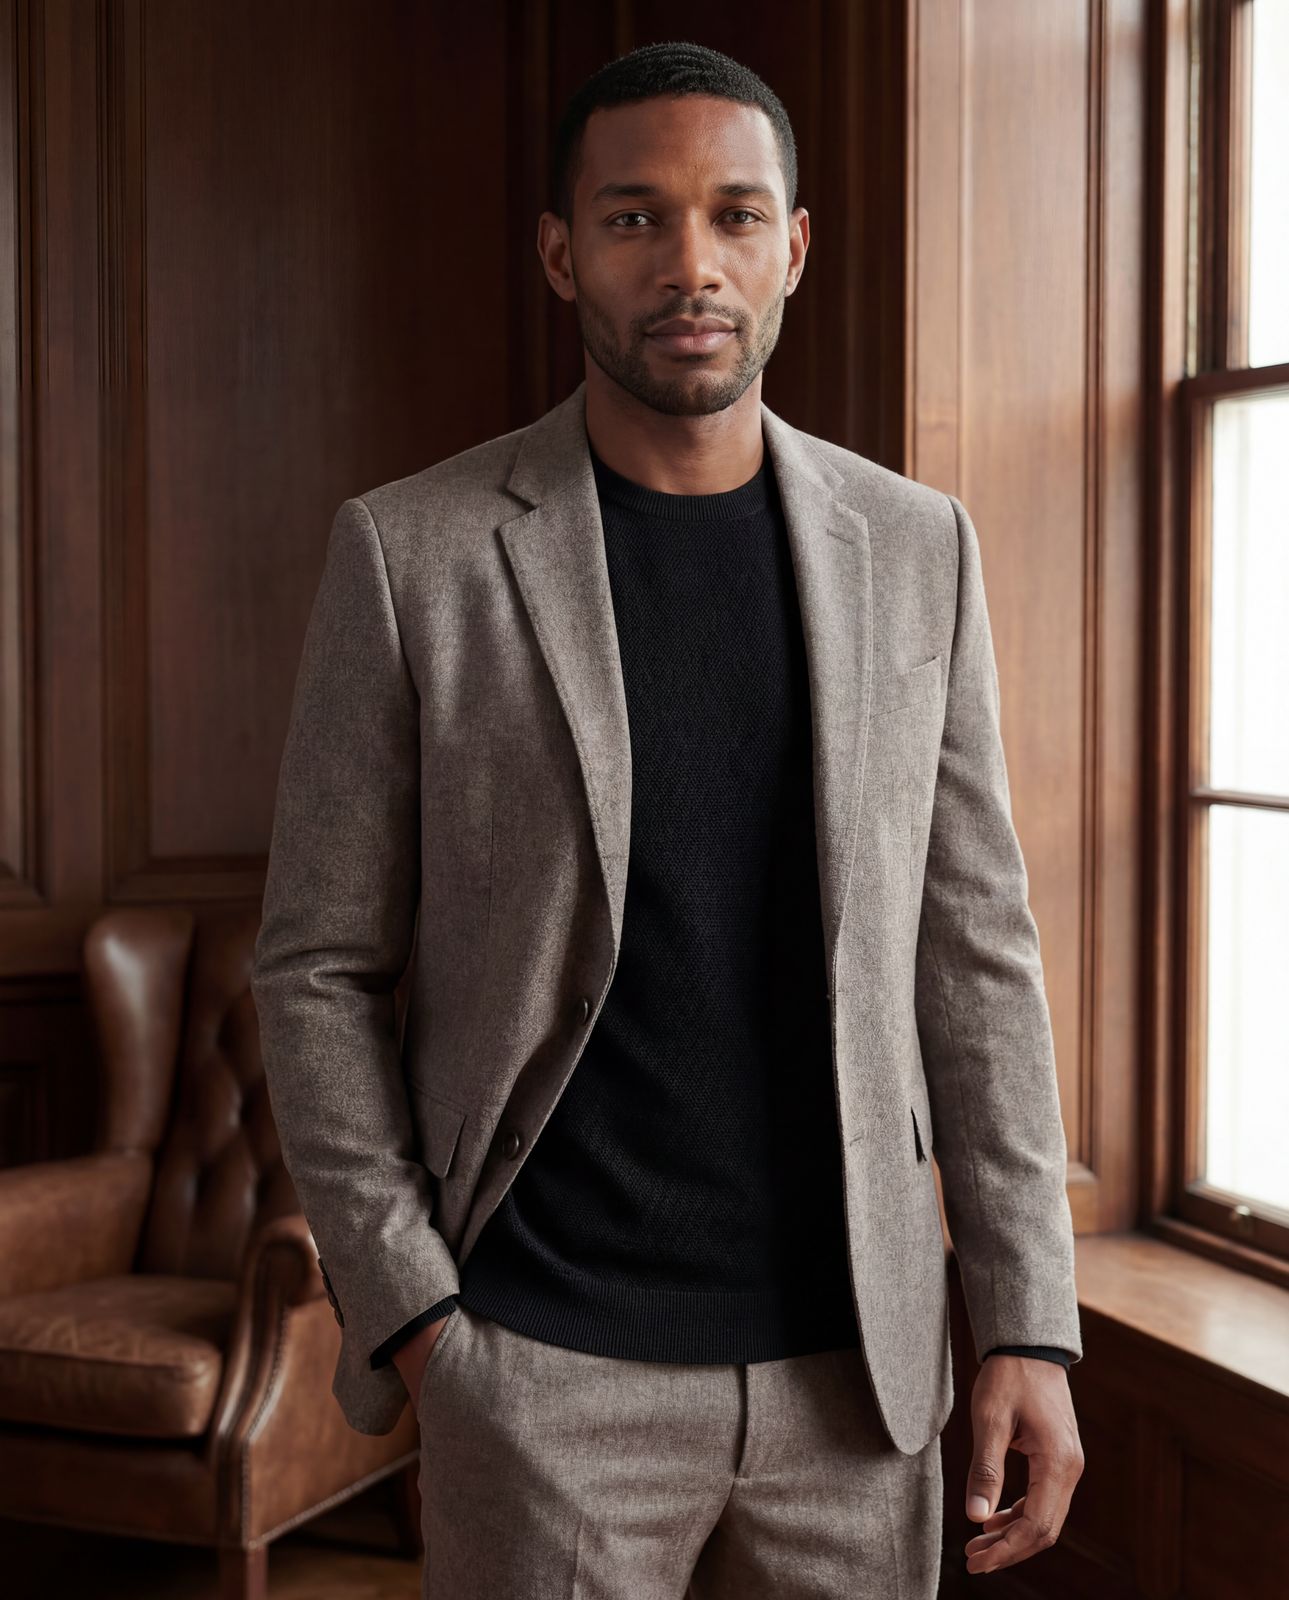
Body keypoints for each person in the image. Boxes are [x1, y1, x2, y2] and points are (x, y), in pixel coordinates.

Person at [251, 39, 1085, 1598]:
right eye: (635, 219)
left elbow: (973, 949)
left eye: (732, 217)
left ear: (793, 247)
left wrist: (1028, 1320)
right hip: (542, 1369)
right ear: (563, 254)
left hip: (862, 1386)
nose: (689, 264)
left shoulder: (919, 550)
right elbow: (315, 967)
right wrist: (424, 1326)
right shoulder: (413, 554)